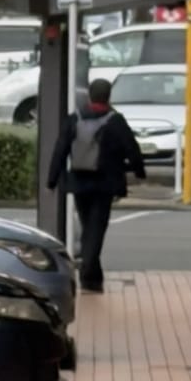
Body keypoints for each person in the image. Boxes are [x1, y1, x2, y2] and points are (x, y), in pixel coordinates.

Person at [47, 76, 147, 292]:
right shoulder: (115, 120)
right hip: (105, 184)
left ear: (90, 96)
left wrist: (52, 180)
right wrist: (139, 172)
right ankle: (87, 270)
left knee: (88, 227)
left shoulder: (75, 118)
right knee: (97, 229)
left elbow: (60, 148)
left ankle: (93, 278)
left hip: (79, 181)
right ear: (108, 96)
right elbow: (132, 148)